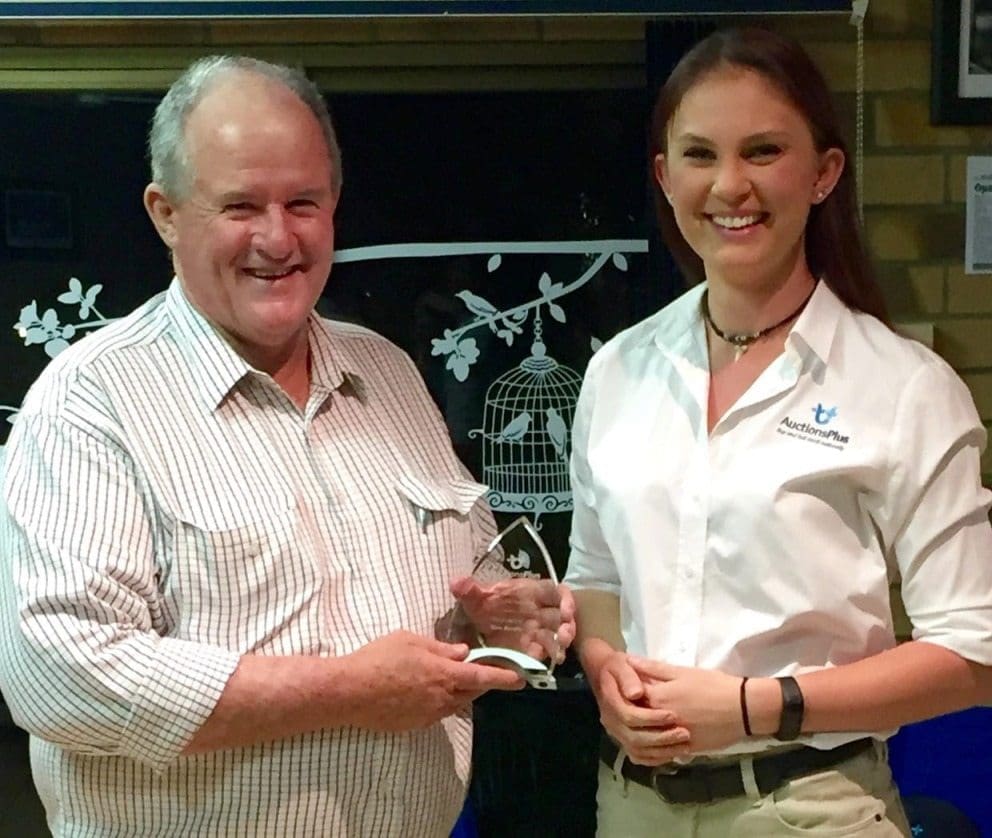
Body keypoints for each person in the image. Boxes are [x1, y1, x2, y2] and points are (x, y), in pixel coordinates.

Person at [0, 55, 572, 837]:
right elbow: (61, 676)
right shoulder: (88, 404)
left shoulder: (389, 373)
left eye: (303, 201)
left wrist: (499, 620)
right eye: (240, 205)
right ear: (165, 213)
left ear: (335, 203)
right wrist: (345, 689)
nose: (278, 238)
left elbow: (463, 588)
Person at [565, 26, 992, 837]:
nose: (730, 185)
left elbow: (974, 653)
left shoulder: (902, 386)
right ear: (665, 174)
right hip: (630, 805)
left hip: (808, 806)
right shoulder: (618, 371)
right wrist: (604, 666)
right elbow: (597, 579)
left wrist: (758, 707)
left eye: (763, 151)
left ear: (824, 173)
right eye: (699, 155)